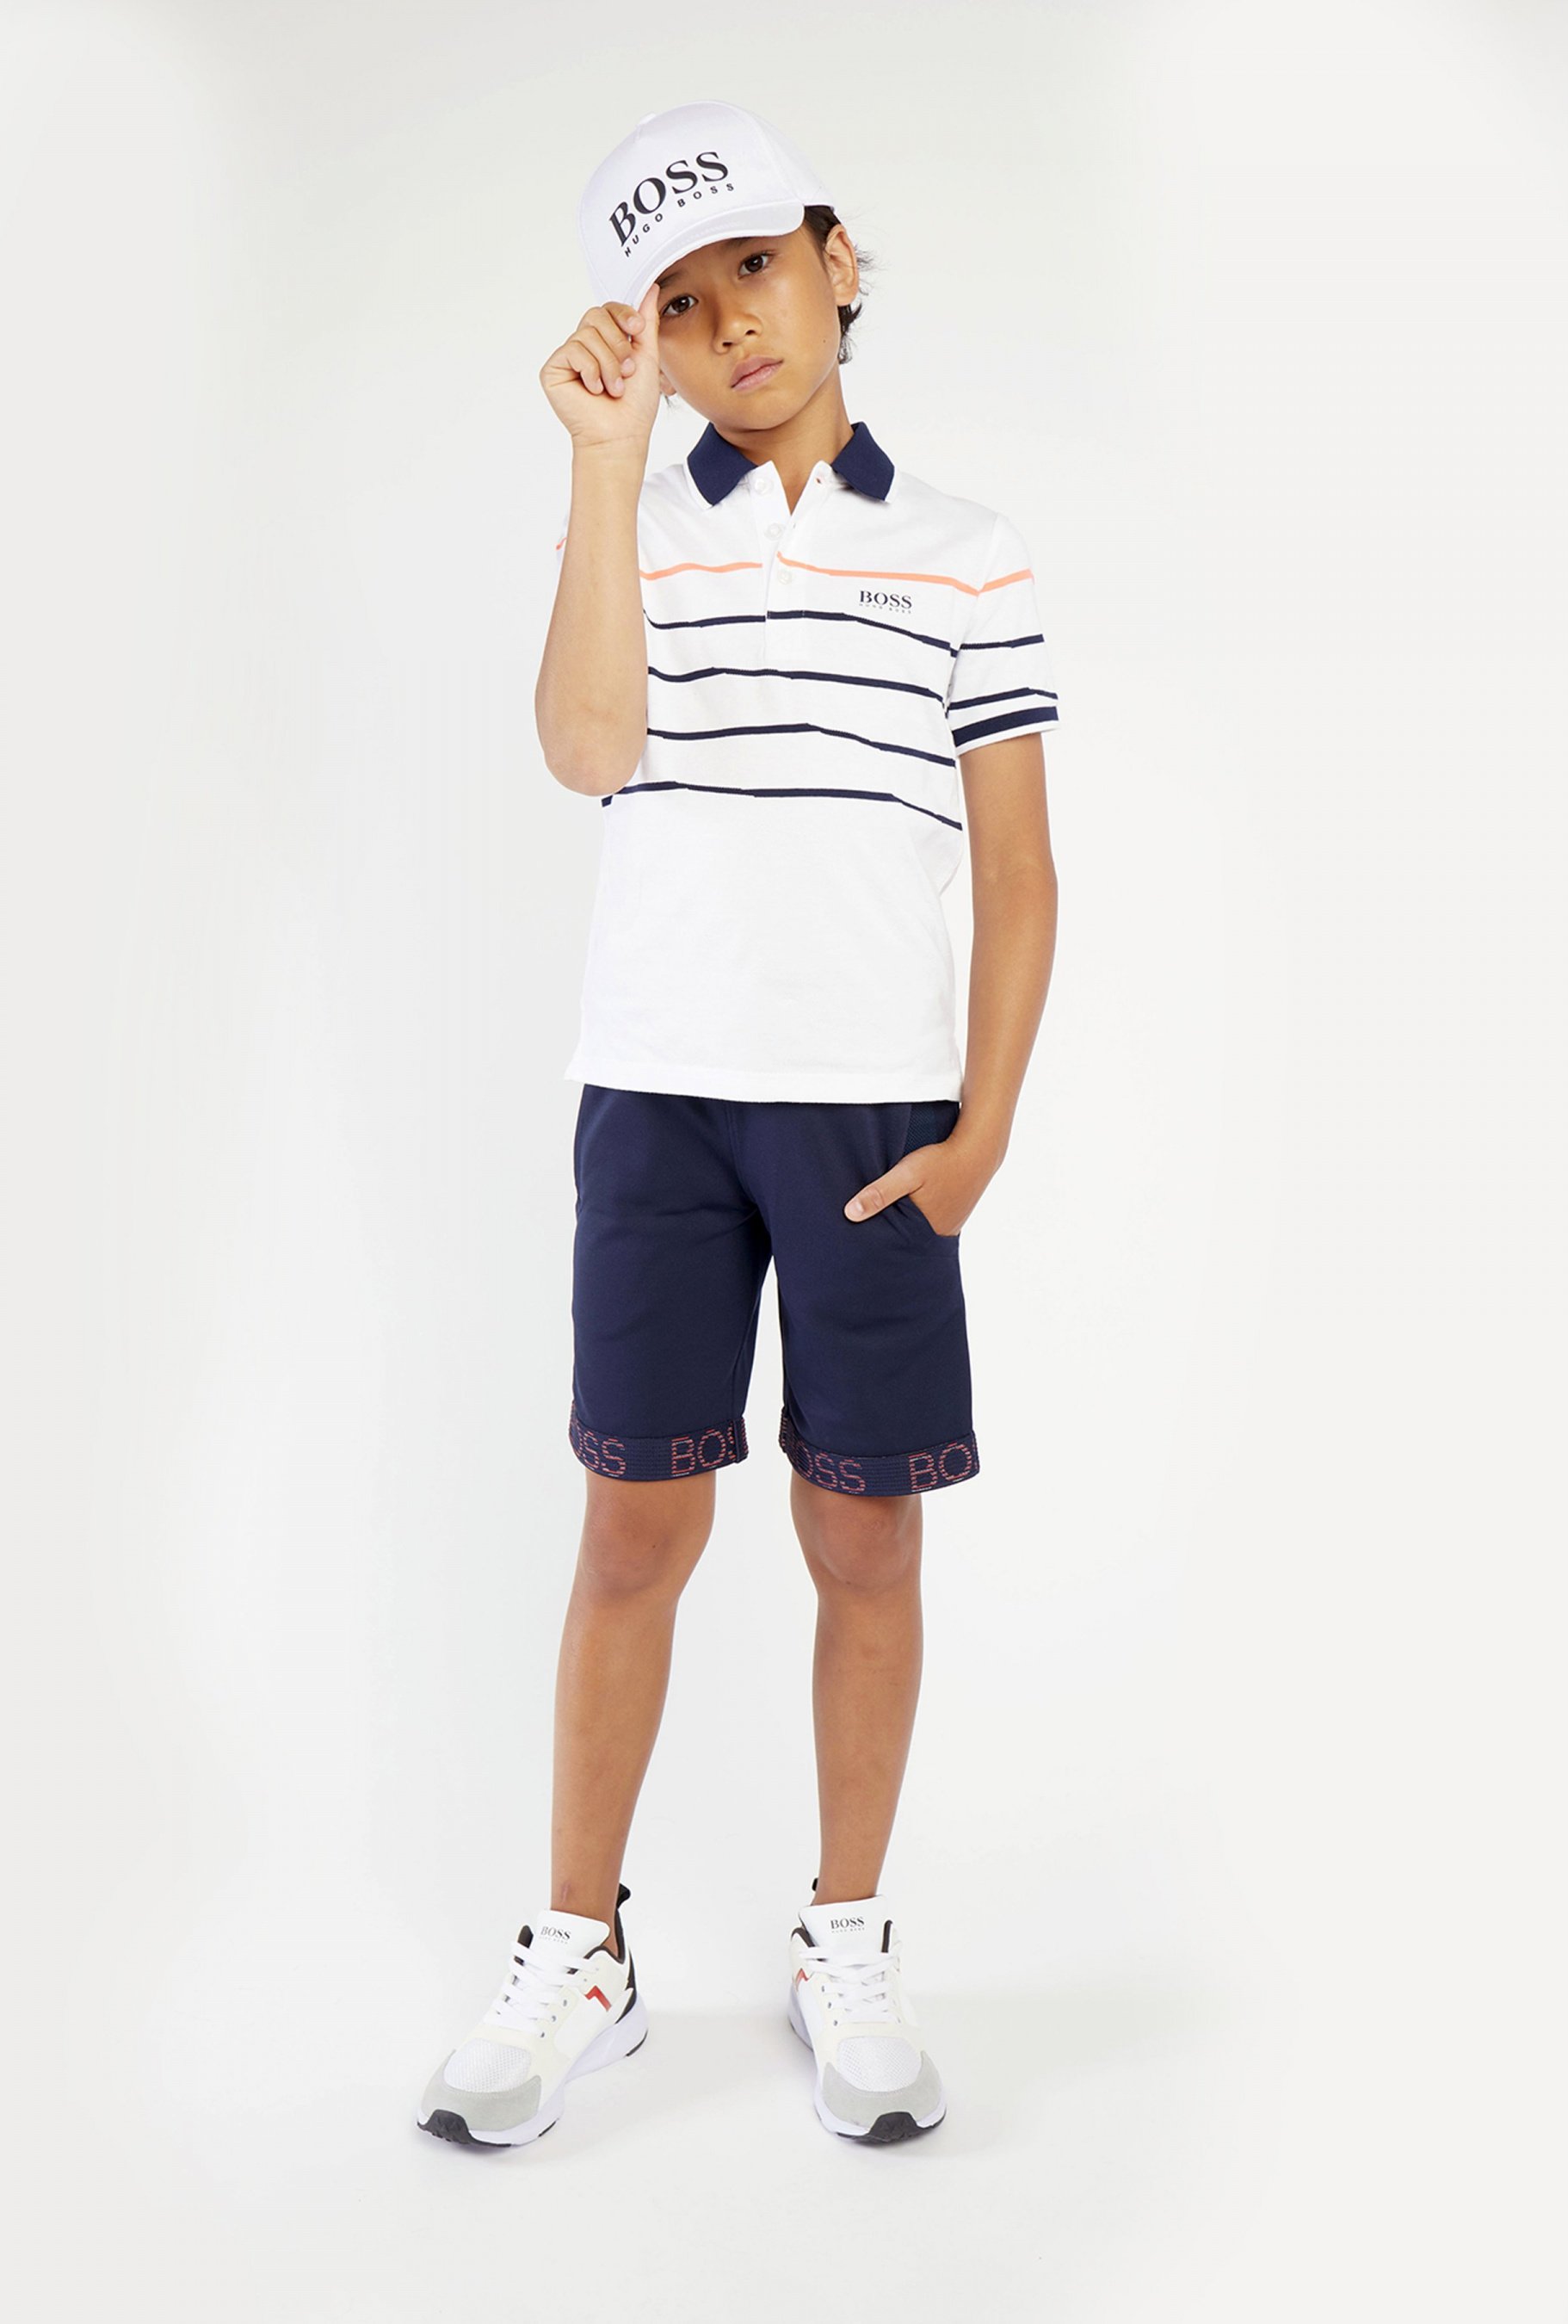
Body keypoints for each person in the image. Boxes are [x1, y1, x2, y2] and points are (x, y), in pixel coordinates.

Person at [417, 99, 1060, 2150]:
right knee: (633, 1526)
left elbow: (1017, 870)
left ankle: (842, 1935)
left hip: (871, 1117)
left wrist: (978, 1134)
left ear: (837, 262)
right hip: (658, 1105)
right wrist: (601, 473)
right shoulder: (631, 525)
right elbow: (583, 747)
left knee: (863, 1531)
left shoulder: (963, 548)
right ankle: (577, 1949)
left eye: (757, 270)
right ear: (649, 344)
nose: (730, 325)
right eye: (677, 306)